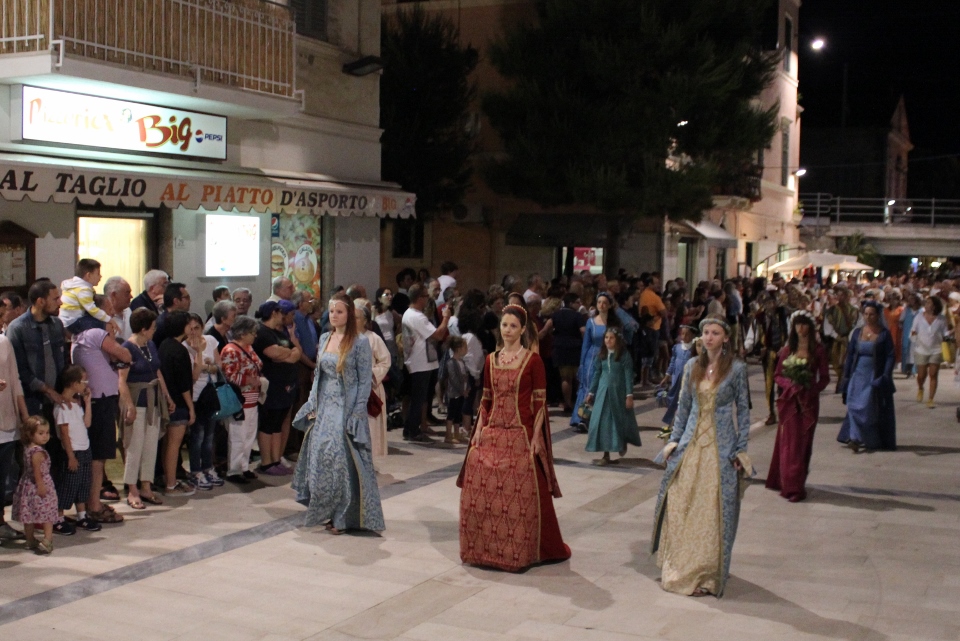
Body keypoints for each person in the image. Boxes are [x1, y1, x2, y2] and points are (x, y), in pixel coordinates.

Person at [457, 304, 570, 571]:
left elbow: (539, 403)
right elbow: (486, 399)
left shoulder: (533, 361)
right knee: (477, 468)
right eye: (504, 325)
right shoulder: (490, 360)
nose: (507, 330)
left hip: (520, 432)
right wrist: (479, 430)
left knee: (522, 477)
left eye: (513, 326)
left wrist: (536, 438)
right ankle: (481, 548)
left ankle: (518, 552)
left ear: (522, 330)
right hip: (493, 429)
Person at [652, 316, 752, 598]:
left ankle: (708, 573)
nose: (709, 337)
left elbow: (743, 411)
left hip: (720, 447)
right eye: (706, 332)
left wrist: (740, 448)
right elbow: (683, 407)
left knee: (711, 511)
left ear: (725, 338)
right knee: (682, 501)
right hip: (691, 444)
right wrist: (674, 442)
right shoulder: (691, 366)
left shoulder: (736, 369)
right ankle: (682, 564)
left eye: (715, 333)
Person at [292, 293, 384, 534]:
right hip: (324, 408)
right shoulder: (325, 338)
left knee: (342, 462)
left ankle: (344, 516)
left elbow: (364, 381)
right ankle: (327, 510)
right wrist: (312, 403)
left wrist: (357, 413)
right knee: (321, 459)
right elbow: (318, 376)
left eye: (339, 311)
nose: (334, 315)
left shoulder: (360, 342)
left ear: (349, 314)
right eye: (331, 311)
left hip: (345, 408)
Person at [70, 297, 132, 524]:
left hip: (94, 399)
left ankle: (90, 501)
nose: (111, 314)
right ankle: (94, 504)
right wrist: (112, 339)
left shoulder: (80, 335)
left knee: (96, 454)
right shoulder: (95, 334)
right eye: (107, 310)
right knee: (98, 456)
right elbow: (125, 355)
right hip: (101, 399)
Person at [766, 311, 830, 502]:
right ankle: (789, 485)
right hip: (789, 402)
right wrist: (790, 385)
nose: (801, 328)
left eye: (804, 324)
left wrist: (811, 389)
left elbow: (824, 378)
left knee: (802, 445)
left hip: (808, 404)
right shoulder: (788, 350)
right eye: (797, 324)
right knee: (789, 444)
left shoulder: (818, 350)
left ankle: (797, 484)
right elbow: (778, 375)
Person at [119, 308, 173, 509]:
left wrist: (166, 396)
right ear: (143, 329)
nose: (154, 330)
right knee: (135, 445)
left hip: (154, 400)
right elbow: (121, 381)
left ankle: (146, 486)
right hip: (137, 399)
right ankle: (132, 489)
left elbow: (157, 371)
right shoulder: (127, 348)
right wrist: (129, 406)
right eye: (152, 327)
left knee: (151, 445)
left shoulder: (150, 345)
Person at [837, 301, 897, 452]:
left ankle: (868, 438)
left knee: (866, 408)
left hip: (872, 375)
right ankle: (855, 438)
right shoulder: (857, 333)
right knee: (852, 405)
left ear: (878, 316)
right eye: (866, 314)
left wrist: (885, 374)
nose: (868, 317)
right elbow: (851, 354)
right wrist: (846, 375)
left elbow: (890, 355)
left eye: (872, 314)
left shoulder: (884, 334)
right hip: (857, 374)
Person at [253, 300, 301, 474]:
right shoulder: (262, 332)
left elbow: (297, 353)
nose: (284, 316)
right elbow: (273, 354)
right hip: (271, 385)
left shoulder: (280, 333)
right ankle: (266, 462)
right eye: (281, 312)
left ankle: (275, 459)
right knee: (268, 422)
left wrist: (286, 353)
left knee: (278, 423)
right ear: (274, 313)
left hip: (285, 384)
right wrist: (287, 352)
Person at [53, 365, 101, 532]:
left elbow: (86, 423)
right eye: (83, 381)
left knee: (83, 484)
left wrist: (87, 403)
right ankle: (58, 518)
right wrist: (71, 456)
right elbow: (64, 434)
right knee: (68, 485)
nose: (86, 385)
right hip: (72, 451)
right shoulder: (62, 407)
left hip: (85, 448)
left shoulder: (76, 404)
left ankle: (82, 516)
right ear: (74, 383)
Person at [583, 328, 641, 466]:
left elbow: (628, 376)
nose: (608, 340)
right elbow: (597, 374)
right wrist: (591, 392)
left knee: (619, 420)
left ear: (617, 340)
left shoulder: (624, 355)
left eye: (611, 338)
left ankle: (621, 442)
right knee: (602, 422)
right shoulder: (601, 355)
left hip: (618, 393)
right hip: (603, 393)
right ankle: (606, 454)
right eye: (606, 337)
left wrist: (629, 395)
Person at [402, 284, 450, 443]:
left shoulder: (409, 313)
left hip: (418, 361)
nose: (427, 299)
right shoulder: (417, 317)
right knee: (419, 399)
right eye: (425, 296)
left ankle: (410, 429)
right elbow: (438, 335)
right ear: (419, 298)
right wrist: (446, 318)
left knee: (419, 398)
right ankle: (413, 431)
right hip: (421, 362)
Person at [158, 311, 199, 497]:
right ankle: (171, 484)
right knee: (174, 446)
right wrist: (191, 408)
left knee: (167, 444)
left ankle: (168, 479)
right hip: (178, 402)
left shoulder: (164, 345)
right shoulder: (179, 350)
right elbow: (184, 384)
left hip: (166, 401)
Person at [220, 316, 263, 484]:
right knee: (238, 436)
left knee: (249, 435)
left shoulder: (249, 348)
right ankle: (234, 470)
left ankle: (244, 466)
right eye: (252, 332)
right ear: (243, 333)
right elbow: (229, 375)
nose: (255, 336)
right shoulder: (231, 350)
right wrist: (250, 380)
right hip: (239, 400)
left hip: (253, 399)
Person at [183, 313, 223, 491]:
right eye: (190, 329)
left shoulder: (211, 340)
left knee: (209, 435)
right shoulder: (184, 347)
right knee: (197, 436)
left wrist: (206, 366)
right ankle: (195, 470)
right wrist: (204, 363)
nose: (194, 332)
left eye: (197, 328)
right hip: (196, 395)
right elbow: (193, 374)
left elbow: (219, 366)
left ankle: (208, 467)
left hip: (211, 394)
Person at [571, 292, 621, 432]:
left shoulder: (615, 323)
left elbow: (620, 342)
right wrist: (582, 363)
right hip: (592, 358)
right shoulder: (591, 322)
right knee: (588, 387)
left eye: (604, 302)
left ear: (609, 305)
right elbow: (586, 344)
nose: (601, 305)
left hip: (609, 357)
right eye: (599, 302)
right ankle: (583, 418)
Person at [13, 416, 58, 554]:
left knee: (29, 513)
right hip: (40, 484)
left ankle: (30, 539)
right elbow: (37, 471)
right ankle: (48, 539)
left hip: (27, 485)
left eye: (47, 432)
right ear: (30, 434)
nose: (45, 436)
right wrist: (41, 485)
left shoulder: (28, 448)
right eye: (41, 433)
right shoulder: (38, 452)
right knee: (47, 512)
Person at [354, 298, 391, 463]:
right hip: (350, 389)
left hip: (370, 389)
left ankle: (368, 462)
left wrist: (370, 375)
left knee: (370, 427)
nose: (353, 321)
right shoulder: (344, 338)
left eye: (356, 318)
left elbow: (385, 361)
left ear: (365, 321)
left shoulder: (374, 338)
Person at [0, 333, 29, 541]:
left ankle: (0, 523)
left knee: (2, 479)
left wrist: (25, 417)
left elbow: (15, 380)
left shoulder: (3, 342)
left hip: (6, 423)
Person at [657, 324, 698, 439]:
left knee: (685, 401)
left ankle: (685, 425)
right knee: (673, 401)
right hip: (676, 380)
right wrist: (667, 376)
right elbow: (672, 362)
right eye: (682, 333)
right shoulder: (677, 348)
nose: (684, 336)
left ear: (692, 335)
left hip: (688, 380)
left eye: (687, 334)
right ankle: (670, 424)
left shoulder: (694, 349)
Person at [57, 259, 117, 335]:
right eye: (98, 274)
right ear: (88, 275)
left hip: (67, 319)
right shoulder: (83, 289)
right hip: (72, 321)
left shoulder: (75, 286)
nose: (101, 276)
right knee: (101, 324)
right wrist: (109, 319)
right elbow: (92, 309)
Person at [911, 296, 947, 408]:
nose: (926, 305)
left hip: (936, 349)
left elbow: (945, 333)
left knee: (933, 374)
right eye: (926, 302)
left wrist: (950, 335)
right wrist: (915, 339)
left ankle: (931, 399)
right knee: (921, 375)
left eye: (929, 303)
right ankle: (920, 388)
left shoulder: (941, 319)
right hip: (921, 349)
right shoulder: (919, 317)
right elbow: (913, 331)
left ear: (934, 306)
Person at [552, 293, 585, 414]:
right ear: (571, 303)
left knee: (565, 378)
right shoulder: (577, 316)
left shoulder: (556, 315)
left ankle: (567, 403)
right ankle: (578, 402)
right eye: (577, 302)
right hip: (575, 348)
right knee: (577, 378)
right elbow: (583, 331)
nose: (580, 304)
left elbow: (547, 328)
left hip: (560, 348)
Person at [443, 336, 470, 444]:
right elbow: (453, 379)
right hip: (454, 393)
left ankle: (457, 433)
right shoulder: (451, 363)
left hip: (462, 392)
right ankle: (448, 435)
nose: (466, 350)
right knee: (451, 414)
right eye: (465, 347)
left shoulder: (462, 362)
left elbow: (466, 376)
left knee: (458, 414)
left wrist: (467, 388)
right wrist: (461, 390)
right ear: (458, 349)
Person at [900, 292, 921, 376]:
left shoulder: (921, 310)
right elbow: (901, 320)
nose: (911, 301)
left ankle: (914, 369)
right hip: (907, 331)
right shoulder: (906, 310)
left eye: (912, 299)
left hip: (916, 332)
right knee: (906, 349)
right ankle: (906, 368)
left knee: (915, 349)